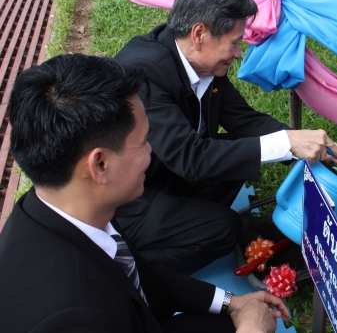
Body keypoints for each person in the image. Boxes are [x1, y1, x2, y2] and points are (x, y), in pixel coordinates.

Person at [0, 54, 289, 333]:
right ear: (100, 164)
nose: (151, 150)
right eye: (142, 142)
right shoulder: (75, 317)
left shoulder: (64, 206)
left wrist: (231, 302)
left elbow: (145, 273)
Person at [114, 0, 337, 273]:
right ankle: (136, 269)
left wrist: (305, 146)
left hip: (167, 172)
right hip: (131, 198)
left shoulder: (200, 62)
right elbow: (190, 157)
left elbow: (244, 120)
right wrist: (287, 143)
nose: (238, 54)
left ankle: (188, 218)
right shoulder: (144, 72)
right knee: (225, 229)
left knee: (240, 155)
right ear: (199, 34)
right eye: (235, 43)